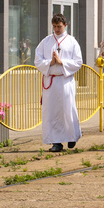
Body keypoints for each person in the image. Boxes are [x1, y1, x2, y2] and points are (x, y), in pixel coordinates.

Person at [35, 13, 82, 152]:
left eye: (59, 27)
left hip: (65, 81)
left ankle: (72, 136)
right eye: (54, 26)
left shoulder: (72, 41)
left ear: (65, 25)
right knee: (52, 112)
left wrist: (63, 63)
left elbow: (78, 62)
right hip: (51, 81)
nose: (56, 29)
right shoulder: (46, 41)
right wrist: (50, 63)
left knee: (67, 110)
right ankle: (56, 142)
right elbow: (37, 60)